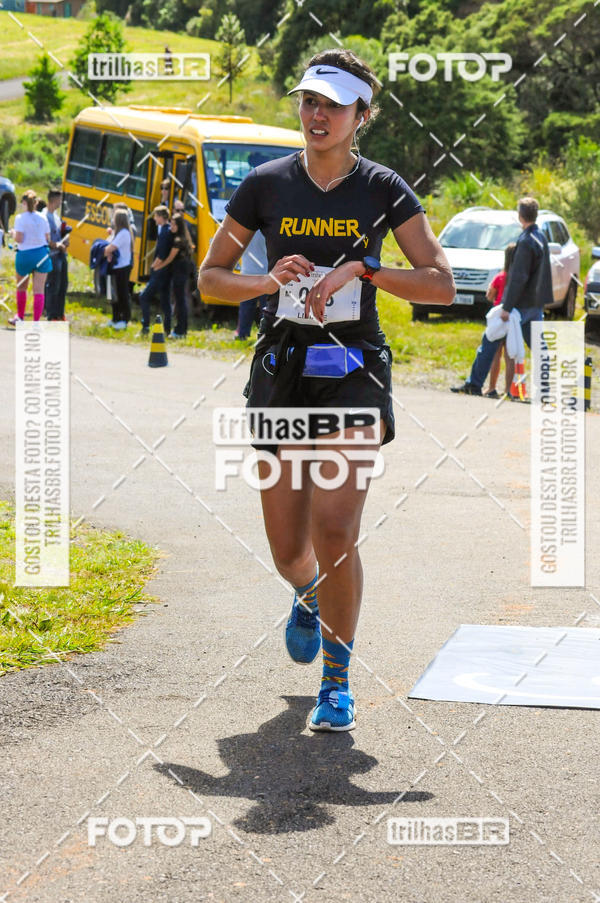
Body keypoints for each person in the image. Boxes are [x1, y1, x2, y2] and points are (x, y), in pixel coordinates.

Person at [199, 49, 454, 732]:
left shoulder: (384, 189)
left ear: (361, 115)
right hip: (283, 371)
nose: (317, 115)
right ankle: (307, 593)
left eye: (334, 105)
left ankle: (337, 682)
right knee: (290, 550)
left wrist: (365, 269)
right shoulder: (265, 183)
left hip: (353, 370)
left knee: (335, 528)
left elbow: (440, 284)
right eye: (309, 100)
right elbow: (210, 279)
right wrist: (266, 281)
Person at [452, 197, 552, 396]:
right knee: (539, 347)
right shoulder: (541, 238)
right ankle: (545, 391)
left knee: (490, 338)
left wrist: (507, 307)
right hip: (535, 303)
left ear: (520, 216)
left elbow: (518, 277)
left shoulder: (525, 241)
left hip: (519, 304)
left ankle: (474, 383)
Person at [9, 189, 52, 326]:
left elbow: (19, 239)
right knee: (39, 290)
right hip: (41, 254)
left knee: (22, 287)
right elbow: (47, 237)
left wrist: (13, 233)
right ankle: (36, 322)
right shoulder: (43, 217)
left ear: (24, 203)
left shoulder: (20, 218)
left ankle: (20, 317)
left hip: (25, 254)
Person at [483, 241, 516, 398]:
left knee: (496, 354)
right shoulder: (519, 279)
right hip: (512, 317)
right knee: (510, 356)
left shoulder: (500, 277)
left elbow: (490, 296)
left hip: (498, 318)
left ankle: (491, 387)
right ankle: (508, 389)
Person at [151, 212, 192, 338]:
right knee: (180, 301)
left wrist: (157, 267)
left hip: (179, 273)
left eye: (174, 225)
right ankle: (181, 329)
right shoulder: (183, 237)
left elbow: (169, 258)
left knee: (180, 302)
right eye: (171, 224)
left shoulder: (178, 240)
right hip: (180, 272)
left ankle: (180, 330)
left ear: (179, 226)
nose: (171, 227)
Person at [138, 205, 173, 336]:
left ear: (161, 217)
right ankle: (167, 329)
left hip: (160, 273)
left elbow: (162, 255)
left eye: (156, 216)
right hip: (167, 273)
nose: (154, 219)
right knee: (165, 302)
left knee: (144, 297)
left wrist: (153, 266)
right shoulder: (167, 230)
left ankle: (145, 326)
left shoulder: (164, 232)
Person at [234, 229, 268, 340]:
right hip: (266, 274)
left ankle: (242, 334)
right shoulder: (267, 230)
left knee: (246, 308)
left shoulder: (245, 231)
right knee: (266, 310)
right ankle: (265, 335)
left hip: (247, 273)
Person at [104, 210, 134, 329]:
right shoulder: (117, 232)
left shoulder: (124, 233)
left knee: (122, 294)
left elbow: (109, 248)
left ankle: (124, 319)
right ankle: (115, 318)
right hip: (115, 267)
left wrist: (105, 251)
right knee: (113, 294)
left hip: (122, 268)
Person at [45, 188, 69, 321]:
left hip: (61, 254)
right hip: (51, 255)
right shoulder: (44, 217)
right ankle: (51, 314)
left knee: (63, 284)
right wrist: (57, 245)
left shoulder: (56, 216)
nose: (61, 202)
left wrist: (65, 239)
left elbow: (59, 233)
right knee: (53, 285)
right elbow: (45, 239)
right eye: (60, 199)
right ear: (54, 200)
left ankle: (60, 313)